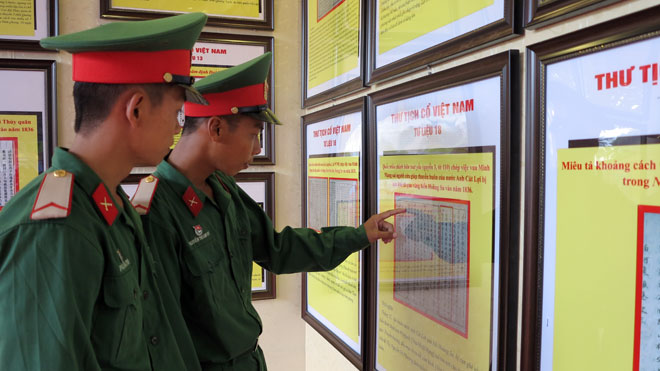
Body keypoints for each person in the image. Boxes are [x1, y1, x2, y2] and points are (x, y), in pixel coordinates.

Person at [133, 52, 405, 370]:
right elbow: (162, 335)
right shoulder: (155, 210)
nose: (259, 148)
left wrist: (359, 235)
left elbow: (277, 249)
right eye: (253, 134)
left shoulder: (221, 188)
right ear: (217, 129)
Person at [0, 13, 209, 370]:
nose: (178, 129)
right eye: (177, 113)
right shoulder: (53, 229)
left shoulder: (111, 205)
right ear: (137, 109)